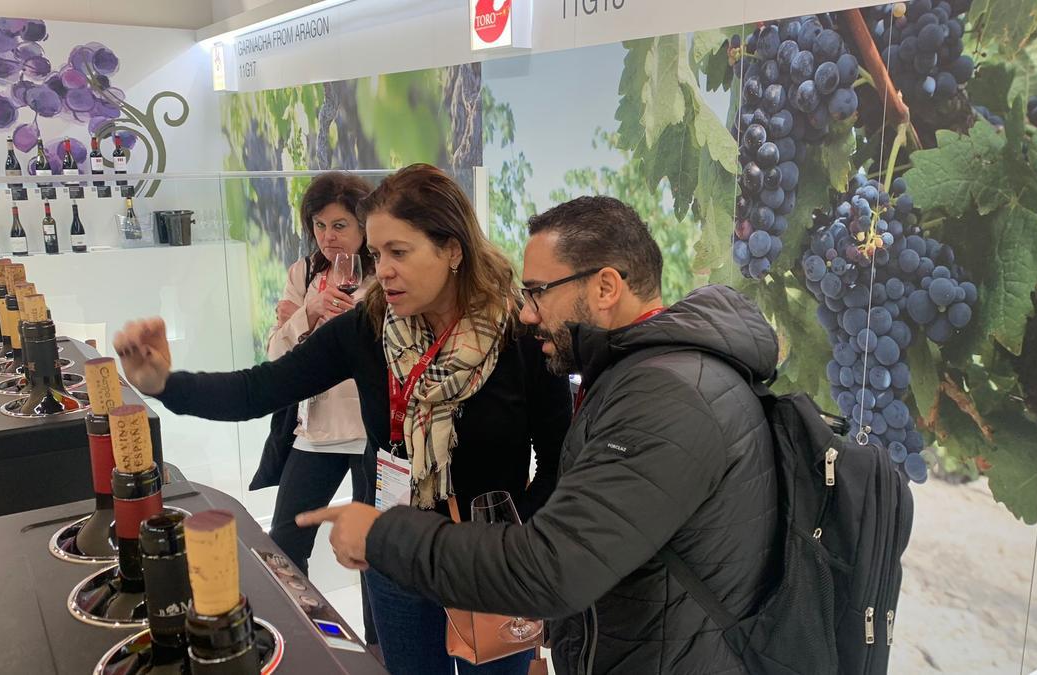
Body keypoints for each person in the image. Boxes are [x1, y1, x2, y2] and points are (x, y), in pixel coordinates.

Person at [112, 163, 571, 675]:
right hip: (396, 556)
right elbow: (257, 389)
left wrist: (510, 541)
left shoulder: (522, 339)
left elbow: (558, 465)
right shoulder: (367, 329)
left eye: (399, 251)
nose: (384, 269)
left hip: (490, 566)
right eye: (377, 253)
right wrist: (163, 384)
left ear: (453, 250)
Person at [303, 196, 781, 674]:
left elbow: (553, 568)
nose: (527, 314)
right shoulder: (649, 375)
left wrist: (385, 536)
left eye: (538, 291)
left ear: (606, 287)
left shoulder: (665, 399)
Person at [261, 171, 372, 576]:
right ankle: (300, 634)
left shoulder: (383, 278)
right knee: (285, 543)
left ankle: (378, 642)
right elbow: (277, 354)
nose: (328, 236)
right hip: (314, 427)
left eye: (340, 225)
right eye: (319, 225)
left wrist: (307, 330)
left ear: (364, 225)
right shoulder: (304, 272)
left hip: (368, 428)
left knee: (372, 553)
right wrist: (308, 313)